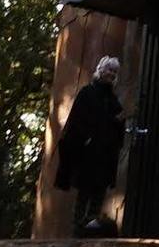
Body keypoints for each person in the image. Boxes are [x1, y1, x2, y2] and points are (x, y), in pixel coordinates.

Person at [54, 55, 126, 236]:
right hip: (88, 153)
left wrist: (117, 123)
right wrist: (86, 139)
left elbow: (115, 125)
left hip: (105, 154)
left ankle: (91, 231)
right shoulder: (87, 93)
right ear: (101, 70)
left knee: (98, 193)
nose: (111, 74)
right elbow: (78, 121)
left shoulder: (113, 100)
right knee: (84, 192)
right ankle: (77, 230)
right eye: (109, 70)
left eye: (114, 71)